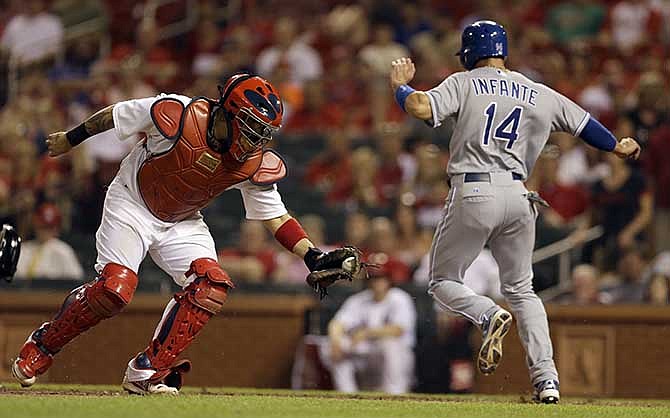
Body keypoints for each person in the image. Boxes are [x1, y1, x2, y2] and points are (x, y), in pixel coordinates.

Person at [11, 73, 360, 395]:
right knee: (114, 291)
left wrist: (311, 255)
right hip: (132, 201)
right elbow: (116, 114)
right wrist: (71, 139)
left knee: (212, 285)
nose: (257, 140)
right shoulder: (176, 113)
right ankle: (43, 344)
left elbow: (277, 218)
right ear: (229, 113)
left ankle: (148, 371)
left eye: (263, 133)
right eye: (252, 127)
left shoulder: (251, 160)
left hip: (183, 219)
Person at [390, 20, 641, 403]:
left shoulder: (465, 81)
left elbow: (420, 106)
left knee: (442, 280)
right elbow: (586, 124)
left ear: (472, 53)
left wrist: (401, 85)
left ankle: (487, 314)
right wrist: (616, 147)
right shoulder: (538, 91)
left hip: (475, 188)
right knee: (523, 290)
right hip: (521, 194)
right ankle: (548, 381)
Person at [327, 266, 416, 394]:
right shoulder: (359, 299)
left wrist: (366, 332)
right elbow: (337, 323)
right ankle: (346, 393)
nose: (377, 282)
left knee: (390, 344)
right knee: (333, 345)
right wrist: (335, 341)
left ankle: (396, 392)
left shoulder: (400, 298)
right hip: (367, 352)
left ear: (389, 280)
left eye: (381, 278)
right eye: (374, 278)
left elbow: (398, 330)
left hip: (397, 356)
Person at [14, 203, 84, 280]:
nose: (45, 231)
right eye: (42, 227)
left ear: (57, 229)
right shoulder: (23, 249)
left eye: (49, 227)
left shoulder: (64, 251)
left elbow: (77, 280)